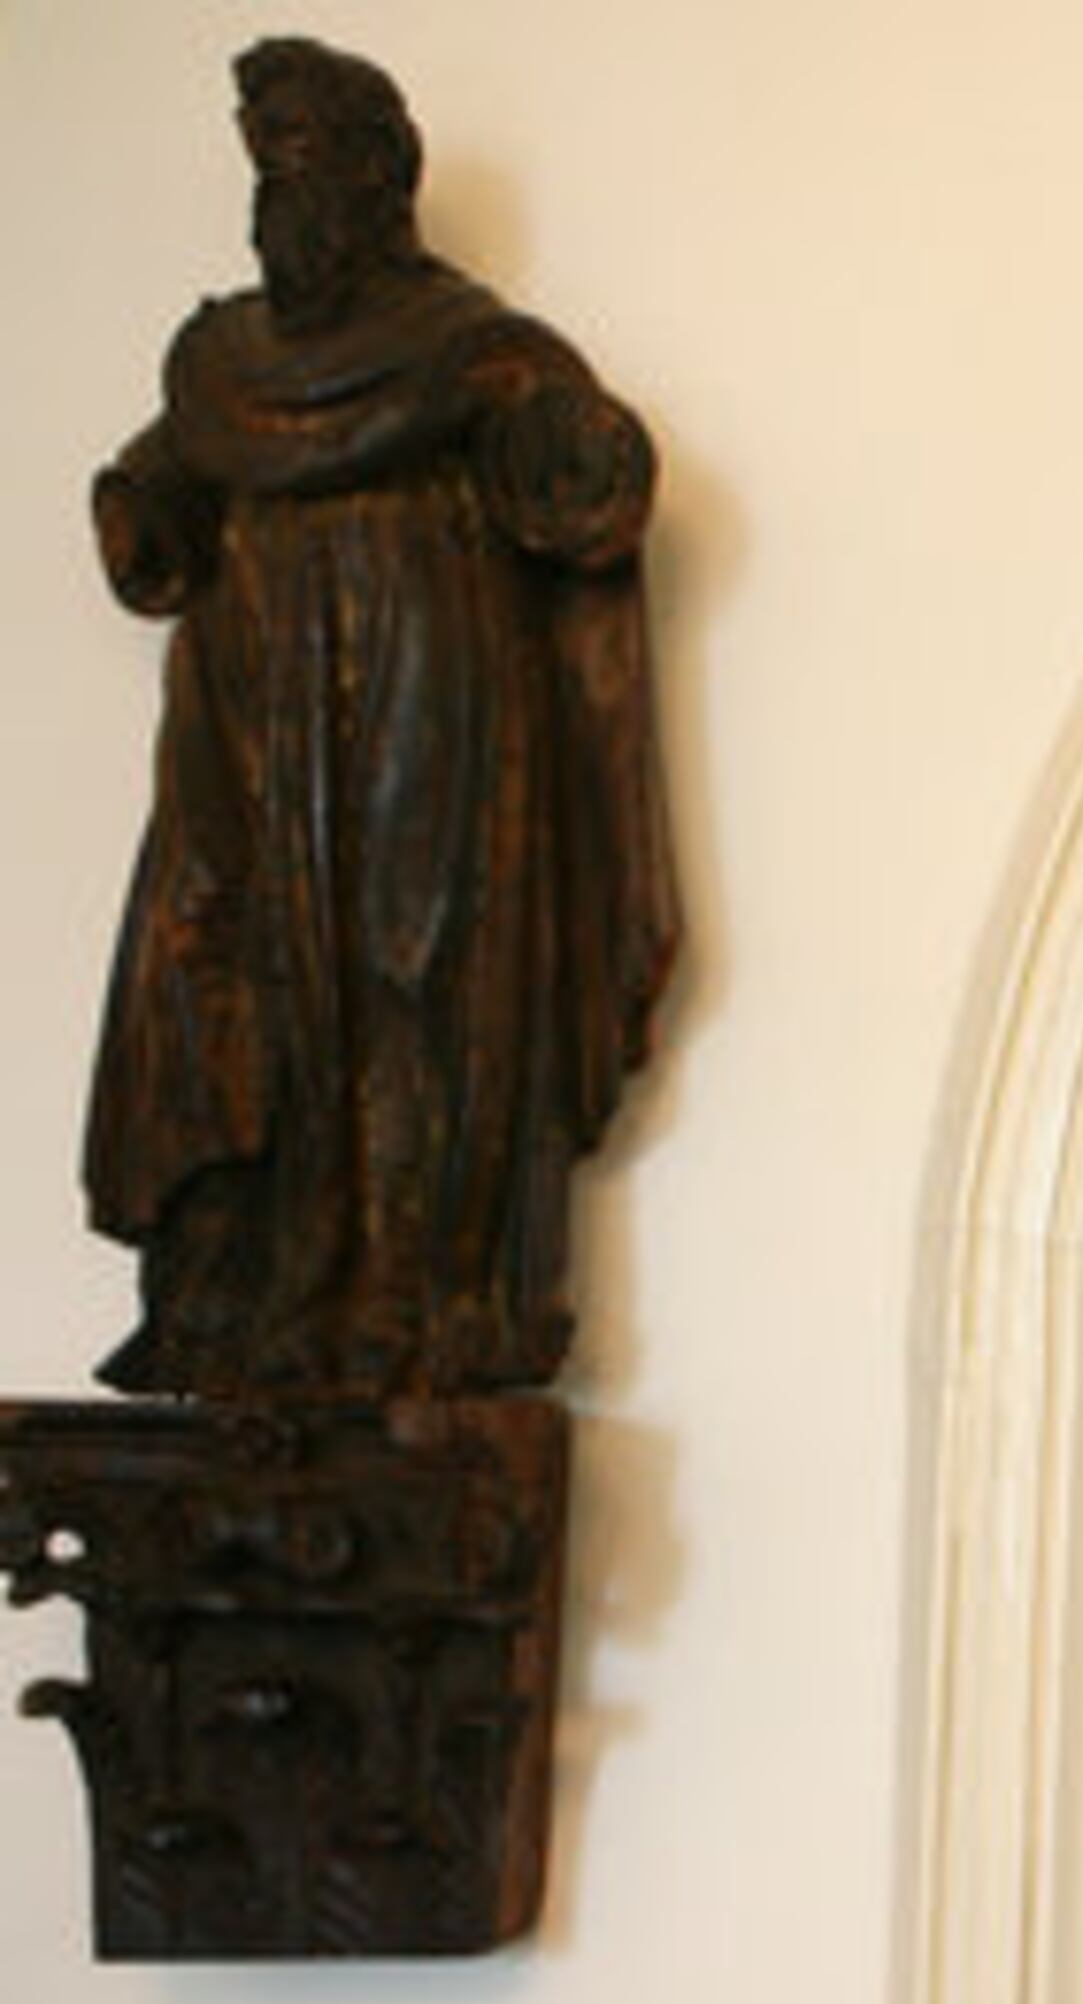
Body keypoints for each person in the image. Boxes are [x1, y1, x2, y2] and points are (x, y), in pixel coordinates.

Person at [84, 37, 676, 1400]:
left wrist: (572, 446)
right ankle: (241, 1287)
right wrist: (143, 513)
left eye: (298, 165)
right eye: (262, 171)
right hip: (247, 723)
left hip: (426, 697)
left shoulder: (468, 351)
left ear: (374, 178)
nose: (274, 203)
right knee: (234, 971)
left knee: (419, 981)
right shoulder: (223, 364)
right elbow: (166, 498)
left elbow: (575, 483)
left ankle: (421, 1296)